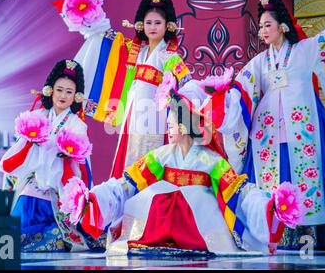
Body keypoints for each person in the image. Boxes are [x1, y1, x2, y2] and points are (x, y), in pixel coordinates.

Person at [194, 0, 325, 249]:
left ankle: (312, 233)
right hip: (268, 134)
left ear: (283, 26)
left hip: (304, 129)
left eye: (268, 25)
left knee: (307, 173)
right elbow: (240, 91)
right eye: (260, 26)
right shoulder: (259, 62)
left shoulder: (306, 49)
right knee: (272, 178)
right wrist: (214, 98)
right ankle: (271, 231)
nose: (262, 31)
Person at [59, 89, 307, 256]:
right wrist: (96, 197)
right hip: (157, 214)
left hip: (200, 216)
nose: (168, 126)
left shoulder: (211, 160)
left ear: (187, 124)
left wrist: (267, 207)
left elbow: (237, 191)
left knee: (196, 198)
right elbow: (129, 183)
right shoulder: (162, 155)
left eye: (173, 121)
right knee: (157, 196)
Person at [54, 0, 196, 179]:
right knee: (128, 166)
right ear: (141, 25)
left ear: (167, 26)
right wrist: (91, 19)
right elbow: (108, 41)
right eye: (148, 22)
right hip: (132, 118)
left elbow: (188, 87)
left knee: (151, 167)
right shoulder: (136, 52)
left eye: (158, 23)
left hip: (156, 120)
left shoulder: (170, 57)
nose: (152, 27)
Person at [0, 59, 102, 252]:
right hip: (34, 184)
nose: (63, 96)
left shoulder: (77, 124)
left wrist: (67, 151)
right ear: (50, 90)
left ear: (76, 97)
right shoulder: (39, 116)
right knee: (14, 235)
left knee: (61, 234)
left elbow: (81, 161)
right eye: (59, 89)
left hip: (59, 187)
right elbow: (20, 149)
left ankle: (59, 234)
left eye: (69, 92)